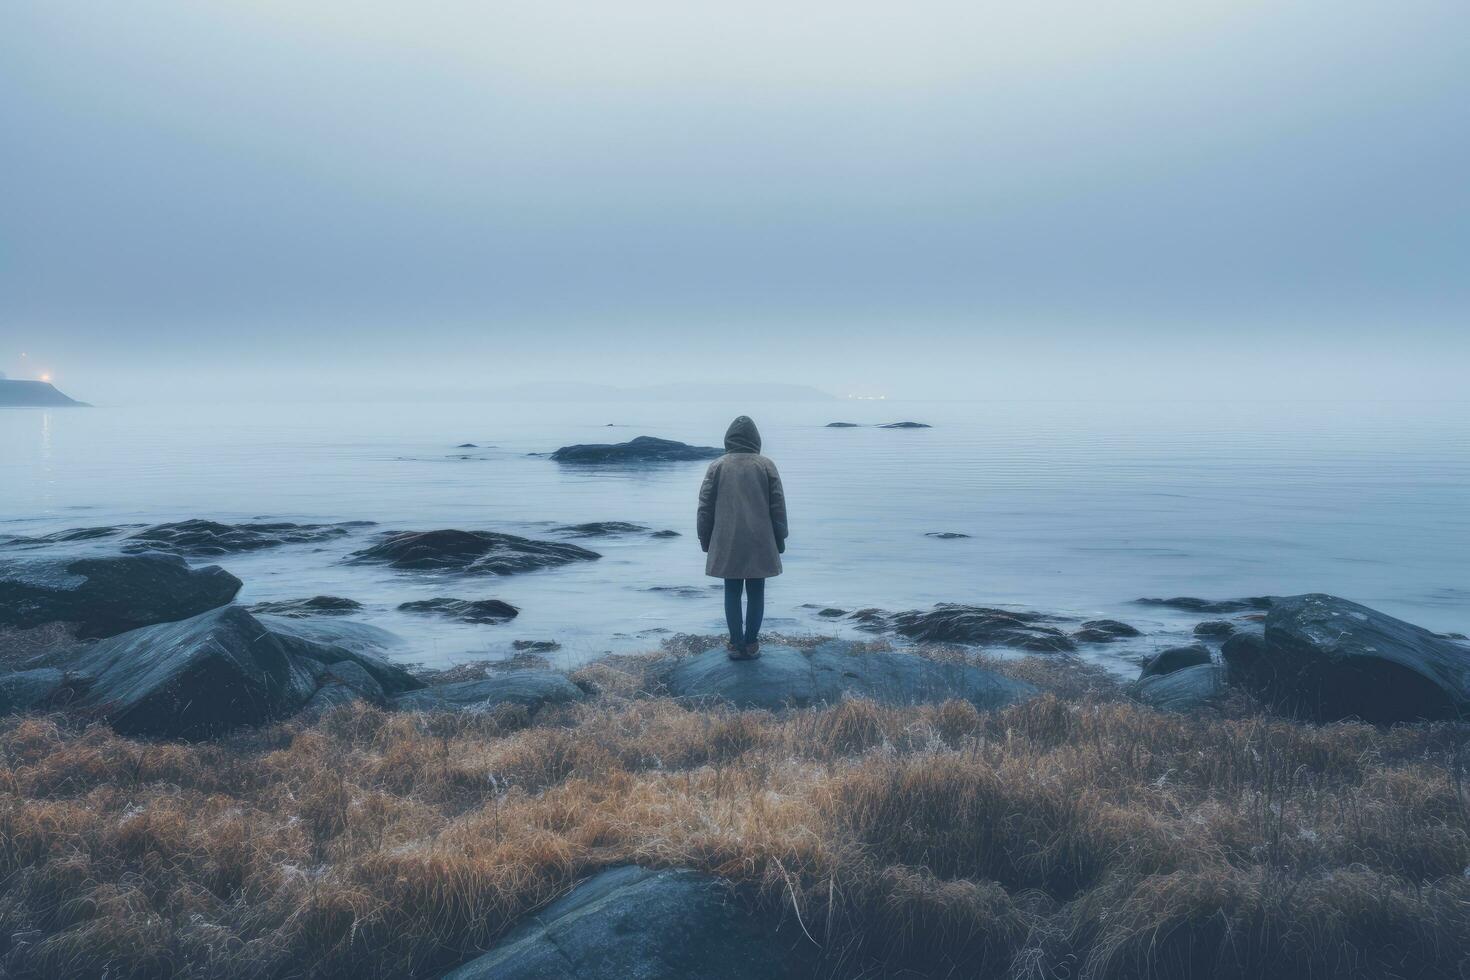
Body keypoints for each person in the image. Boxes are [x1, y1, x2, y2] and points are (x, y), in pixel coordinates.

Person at [697, 416, 788, 660]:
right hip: (761, 540)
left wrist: (705, 539)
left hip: (727, 540)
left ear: (728, 439)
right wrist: (781, 538)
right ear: (756, 440)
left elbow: (704, 506)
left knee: (732, 591)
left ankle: (735, 644)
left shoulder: (718, 465)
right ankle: (752, 643)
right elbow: (778, 506)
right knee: (757, 592)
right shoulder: (766, 465)